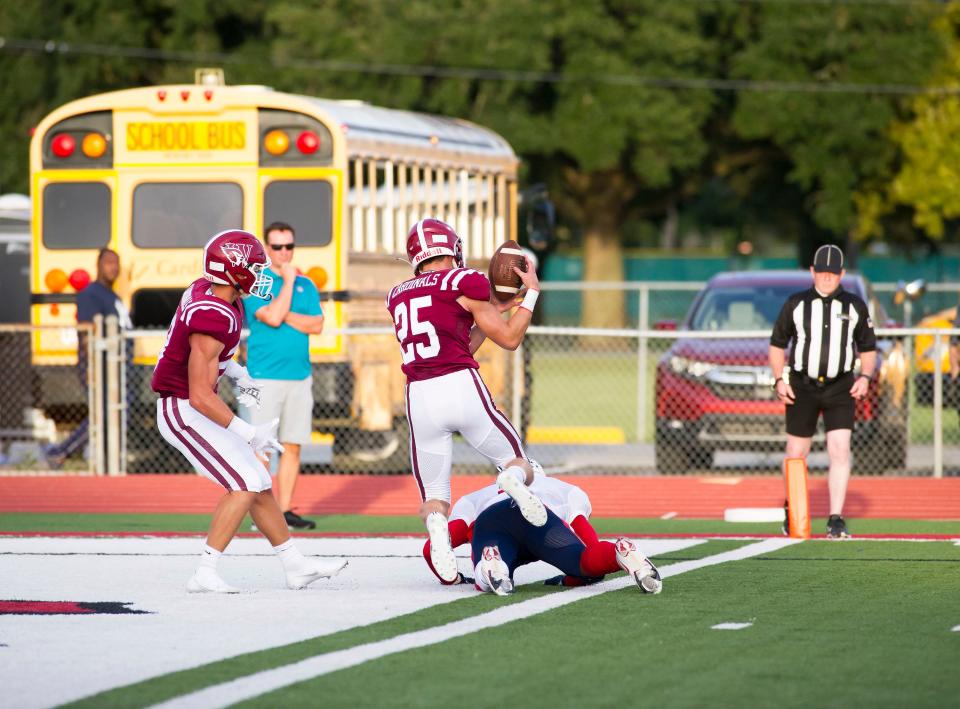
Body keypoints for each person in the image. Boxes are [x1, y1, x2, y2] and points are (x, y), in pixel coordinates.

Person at [151, 229, 346, 593]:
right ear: (235, 271)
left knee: (259, 480)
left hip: (194, 403)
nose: (260, 274)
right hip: (181, 409)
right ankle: (204, 572)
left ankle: (294, 565)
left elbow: (216, 359)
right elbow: (198, 395)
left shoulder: (220, 296)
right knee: (242, 482)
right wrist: (248, 431)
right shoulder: (211, 313)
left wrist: (240, 375)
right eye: (255, 267)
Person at [386, 217, 548, 585]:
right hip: (460, 386)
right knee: (518, 463)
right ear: (451, 248)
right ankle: (509, 481)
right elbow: (508, 339)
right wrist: (531, 295)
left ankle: (437, 526)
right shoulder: (464, 280)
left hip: (420, 397)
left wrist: (499, 308)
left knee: (436, 496)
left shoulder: (397, 294)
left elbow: (460, 336)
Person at [769, 244, 877, 539]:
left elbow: (868, 348)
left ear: (842, 274)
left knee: (840, 450)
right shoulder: (796, 304)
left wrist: (865, 376)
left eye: (833, 273)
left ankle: (836, 518)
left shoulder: (854, 305)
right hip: (803, 385)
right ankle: (793, 508)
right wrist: (780, 380)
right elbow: (777, 345)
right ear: (812, 271)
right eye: (822, 273)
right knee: (796, 452)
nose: (827, 279)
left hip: (840, 385)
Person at [422, 473, 662, 595]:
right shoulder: (564, 490)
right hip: (542, 520)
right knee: (583, 561)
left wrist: (451, 579)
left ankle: (492, 560)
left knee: (487, 572)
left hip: (492, 517)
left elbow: (433, 549)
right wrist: (575, 577)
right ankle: (620, 552)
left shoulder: (476, 497)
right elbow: (589, 547)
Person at [243, 222, 324, 530]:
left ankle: (285, 509)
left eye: (289, 246)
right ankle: (262, 513)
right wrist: (288, 282)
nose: (284, 252)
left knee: (293, 445)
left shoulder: (308, 285)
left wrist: (284, 312)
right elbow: (271, 317)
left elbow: (316, 325)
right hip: (265, 376)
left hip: (299, 376)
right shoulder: (256, 283)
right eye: (277, 247)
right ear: (266, 249)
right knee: (262, 446)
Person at [45, 248, 131, 468]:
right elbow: (87, 333)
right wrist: (91, 366)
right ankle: (60, 451)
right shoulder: (90, 294)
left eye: (116, 263)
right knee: (102, 413)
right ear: (99, 265)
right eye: (109, 262)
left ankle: (108, 459)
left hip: (116, 367)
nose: (113, 267)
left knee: (116, 411)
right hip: (99, 365)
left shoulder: (112, 295)